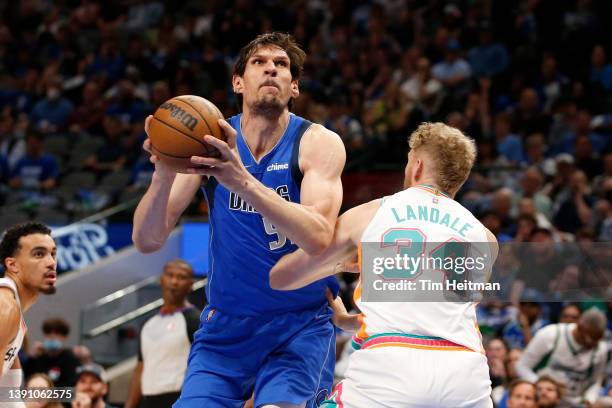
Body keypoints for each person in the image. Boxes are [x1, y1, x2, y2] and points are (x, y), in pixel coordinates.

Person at [132, 32, 345, 408]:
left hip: (297, 325)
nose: (271, 70)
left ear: (293, 87)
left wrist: (242, 181)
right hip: (226, 327)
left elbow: (318, 236)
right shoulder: (208, 143)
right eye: (259, 63)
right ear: (237, 82)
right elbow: (148, 239)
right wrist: (164, 170)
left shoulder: (317, 142)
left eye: (282, 66)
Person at [271, 122, 499, 407]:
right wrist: (349, 323)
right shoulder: (485, 238)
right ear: (459, 179)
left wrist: (341, 263)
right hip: (466, 374)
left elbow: (284, 278)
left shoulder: (369, 215)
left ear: (416, 166)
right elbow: (436, 314)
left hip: (392, 367)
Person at [125, 260, 200, 408]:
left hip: (180, 399)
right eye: (170, 275)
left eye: (181, 277)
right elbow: (140, 367)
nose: (174, 282)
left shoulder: (196, 320)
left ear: (191, 285)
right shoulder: (148, 323)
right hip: (147, 401)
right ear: (161, 280)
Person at [0, 222, 57, 392]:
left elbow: (8, 396)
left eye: (53, 254)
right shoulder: (5, 306)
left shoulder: (15, 316)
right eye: (39, 254)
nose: (51, 262)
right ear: (13, 265)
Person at [516, 307, 608, 406]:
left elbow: (596, 381)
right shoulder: (551, 335)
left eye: (598, 340)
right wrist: (542, 385)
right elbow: (521, 366)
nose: (594, 344)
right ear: (580, 327)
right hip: (544, 401)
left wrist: (589, 399)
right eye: (591, 339)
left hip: (575, 403)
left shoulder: (600, 348)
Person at [23, 317, 81, 387]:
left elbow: (72, 384)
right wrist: (32, 357)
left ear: (65, 337)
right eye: (48, 332)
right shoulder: (39, 358)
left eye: (57, 333)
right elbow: (28, 380)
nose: (52, 336)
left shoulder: (71, 358)